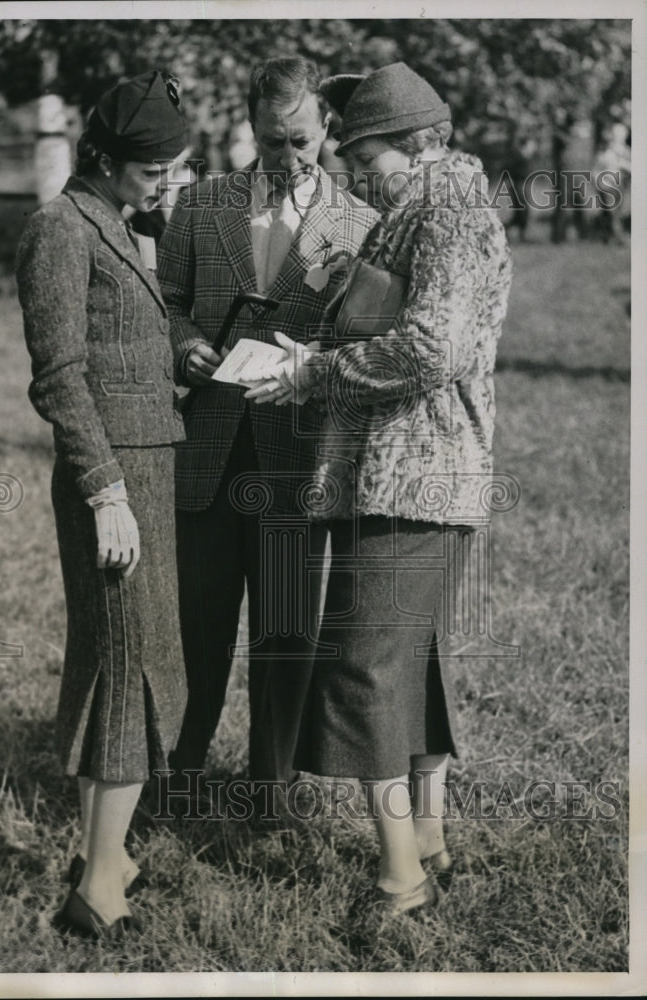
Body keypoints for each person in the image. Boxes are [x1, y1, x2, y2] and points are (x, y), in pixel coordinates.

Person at [246, 62, 512, 913]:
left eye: (368, 157)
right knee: (406, 660)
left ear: (421, 142)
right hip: (401, 476)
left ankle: (400, 879)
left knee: (362, 667)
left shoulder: (445, 210)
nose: (356, 174)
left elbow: (432, 349)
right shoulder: (422, 206)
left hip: (415, 475)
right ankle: (427, 839)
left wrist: (316, 373)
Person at [157, 56, 376, 811]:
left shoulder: (355, 221)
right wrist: (186, 345)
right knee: (201, 624)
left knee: (285, 632)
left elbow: (363, 336)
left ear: (327, 132)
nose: (287, 159)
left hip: (296, 454)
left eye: (303, 143)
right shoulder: (198, 205)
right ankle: (181, 774)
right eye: (272, 143)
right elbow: (170, 303)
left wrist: (319, 361)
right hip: (209, 450)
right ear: (251, 130)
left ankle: (272, 787)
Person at [15, 72, 189, 939]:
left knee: (135, 666)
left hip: (149, 474)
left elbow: (121, 350)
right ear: (108, 161)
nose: (166, 183)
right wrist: (105, 491)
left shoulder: (115, 223)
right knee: (124, 677)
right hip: (113, 485)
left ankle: (107, 854)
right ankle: (96, 892)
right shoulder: (59, 230)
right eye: (155, 169)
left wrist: (176, 363)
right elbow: (59, 378)